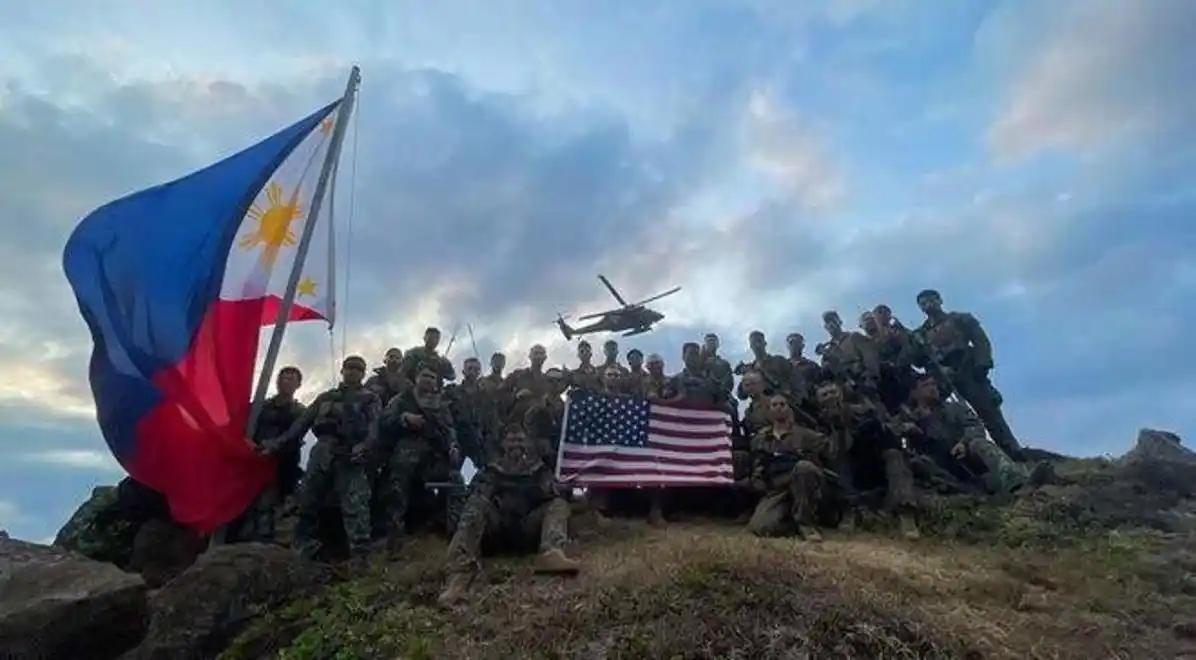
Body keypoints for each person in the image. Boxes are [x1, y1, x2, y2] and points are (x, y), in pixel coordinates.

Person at [438, 424, 578, 607]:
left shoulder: (539, 469)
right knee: (476, 504)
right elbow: (480, 494)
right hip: (499, 529)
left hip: (526, 528)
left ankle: (552, 552)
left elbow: (553, 494)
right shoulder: (492, 469)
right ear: (503, 444)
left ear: (527, 443)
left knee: (558, 505)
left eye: (520, 440)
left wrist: (553, 488)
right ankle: (459, 573)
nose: (516, 445)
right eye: (511, 440)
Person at [268, 356, 379, 561]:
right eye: (349, 367)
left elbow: (374, 427)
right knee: (307, 501)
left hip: (350, 454)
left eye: (358, 369)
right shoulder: (325, 397)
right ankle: (301, 550)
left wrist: (364, 446)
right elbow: (301, 424)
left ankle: (360, 557)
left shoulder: (369, 398)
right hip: (322, 451)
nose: (353, 371)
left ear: (363, 374)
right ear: (342, 371)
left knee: (356, 506)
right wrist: (276, 443)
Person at [912, 289, 1022, 459]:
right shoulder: (921, 333)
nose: (928, 305)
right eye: (923, 303)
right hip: (942, 377)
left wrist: (982, 364)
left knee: (988, 411)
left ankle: (1012, 451)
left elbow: (980, 340)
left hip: (967, 368)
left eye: (931, 300)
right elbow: (919, 360)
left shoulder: (959, 319)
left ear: (940, 301)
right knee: (948, 415)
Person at [813, 379, 919, 538]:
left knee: (895, 455)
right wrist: (836, 427)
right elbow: (828, 451)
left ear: (841, 394)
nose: (830, 397)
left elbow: (885, 429)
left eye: (833, 392)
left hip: (873, 463)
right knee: (839, 459)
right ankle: (849, 510)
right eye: (824, 395)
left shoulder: (860, 410)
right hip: (842, 473)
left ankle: (906, 513)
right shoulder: (816, 422)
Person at [892, 374, 1027, 496]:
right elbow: (892, 431)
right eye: (926, 385)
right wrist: (906, 428)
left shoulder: (954, 409)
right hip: (937, 465)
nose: (932, 388)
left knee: (979, 444)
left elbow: (975, 427)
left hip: (965, 457)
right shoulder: (908, 416)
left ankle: (1015, 481)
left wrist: (964, 443)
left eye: (934, 384)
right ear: (914, 393)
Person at [376, 365, 463, 548]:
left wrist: (453, 446)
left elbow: (450, 429)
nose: (428, 380)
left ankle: (453, 533)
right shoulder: (402, 399)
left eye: (432, 377)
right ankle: (394, 535)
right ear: (416, 378)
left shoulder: (440, 403)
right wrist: (404, 418)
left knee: (455, 479)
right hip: (407, 451)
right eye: (425, 376)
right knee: (397, 486)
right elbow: (384, 420)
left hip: (435, 455)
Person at [745, 395, 841, 541]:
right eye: (774, 405)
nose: (778, 408)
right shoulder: (760, 439)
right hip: (777, 488)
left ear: (789, 409)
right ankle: (792, 522)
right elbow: (757, 465)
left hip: (803, 485)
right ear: (769, 411)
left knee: (804, 467)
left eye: (782, 404)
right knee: (762, 527)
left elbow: (832, 450)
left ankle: (806, 524)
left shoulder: (805, 434)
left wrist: (835, 425)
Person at [247, 366, 306, 543]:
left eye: (291, 379)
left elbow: (295, 437)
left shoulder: (299, 412)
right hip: (253, 462)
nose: (286, 382)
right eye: (283, 378)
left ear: (298, 385)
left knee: (268, 506)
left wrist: (274, 447)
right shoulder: (260, 406)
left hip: (280, 466)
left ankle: (263, 542)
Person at [860, 311, 916, 413]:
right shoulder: (863, 345)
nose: (869, 322)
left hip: (904, 376)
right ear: (861, 326)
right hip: (884, 385)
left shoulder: (891, 333)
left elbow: (907, 349)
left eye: (871, 319)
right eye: (866, 320)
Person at [444, 357, 494, 469]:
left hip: (478, 438)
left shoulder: (485, 396)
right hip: (457, 437)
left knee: (488, 470)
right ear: (463, 371)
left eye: (476, 369)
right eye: (470, 368)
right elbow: (444, 413)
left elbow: (491, 419)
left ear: (479, 372)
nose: (472, 372)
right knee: (451, 471)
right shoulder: (452, 391)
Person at [817, 311, 880, 397]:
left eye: (833, 320)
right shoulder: (829, 350)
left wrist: (871, 378)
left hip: (863, 382)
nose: (831, 324)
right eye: (827, 322)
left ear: (840, 322)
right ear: (825, 327)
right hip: (844, 390)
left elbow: (870, 357)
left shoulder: (854, 337)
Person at [523, 367, 568, 469]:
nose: (555, 384)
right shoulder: (536, 407)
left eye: (558, 380)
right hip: (540, 460)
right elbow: (528, 430)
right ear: (545, 383)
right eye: (550, 380)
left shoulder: (567, 408)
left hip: (562, 458)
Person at [734, 330, 794, 400]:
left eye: (759, 341)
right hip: (759, 405)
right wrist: (745, 378)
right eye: (754, 343)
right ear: (751, 346)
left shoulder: (779, 361)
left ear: (765, 343)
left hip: (780, 402)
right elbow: (742, 396)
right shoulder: (750, 369)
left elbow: (793, 382)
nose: (757, 345)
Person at [504, 344, 551, 424]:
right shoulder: (518, 375)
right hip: (517, 422)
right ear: (530, 356)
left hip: (539, 423)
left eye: (541, 354)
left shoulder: (548, 380)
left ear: (545, 358)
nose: (538, 356)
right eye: (536, 353)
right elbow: (501, 393)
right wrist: (516, 396)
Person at [785, 332, 821, 404]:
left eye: (797, 342)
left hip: (811, 402)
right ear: (788, 346)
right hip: (790, 403)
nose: (794, 345)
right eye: (791, 342)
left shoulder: (812, 365)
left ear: (802, 345)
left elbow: (821, 384)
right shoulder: (783, 366)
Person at [702, 333, 735, 401]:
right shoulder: (698, 361)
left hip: (721, 396)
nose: (711, 343)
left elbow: (730, 383)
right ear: (705, 344)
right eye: (709, 341)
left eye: (713, 341)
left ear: (717, 344)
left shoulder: (724, 363)